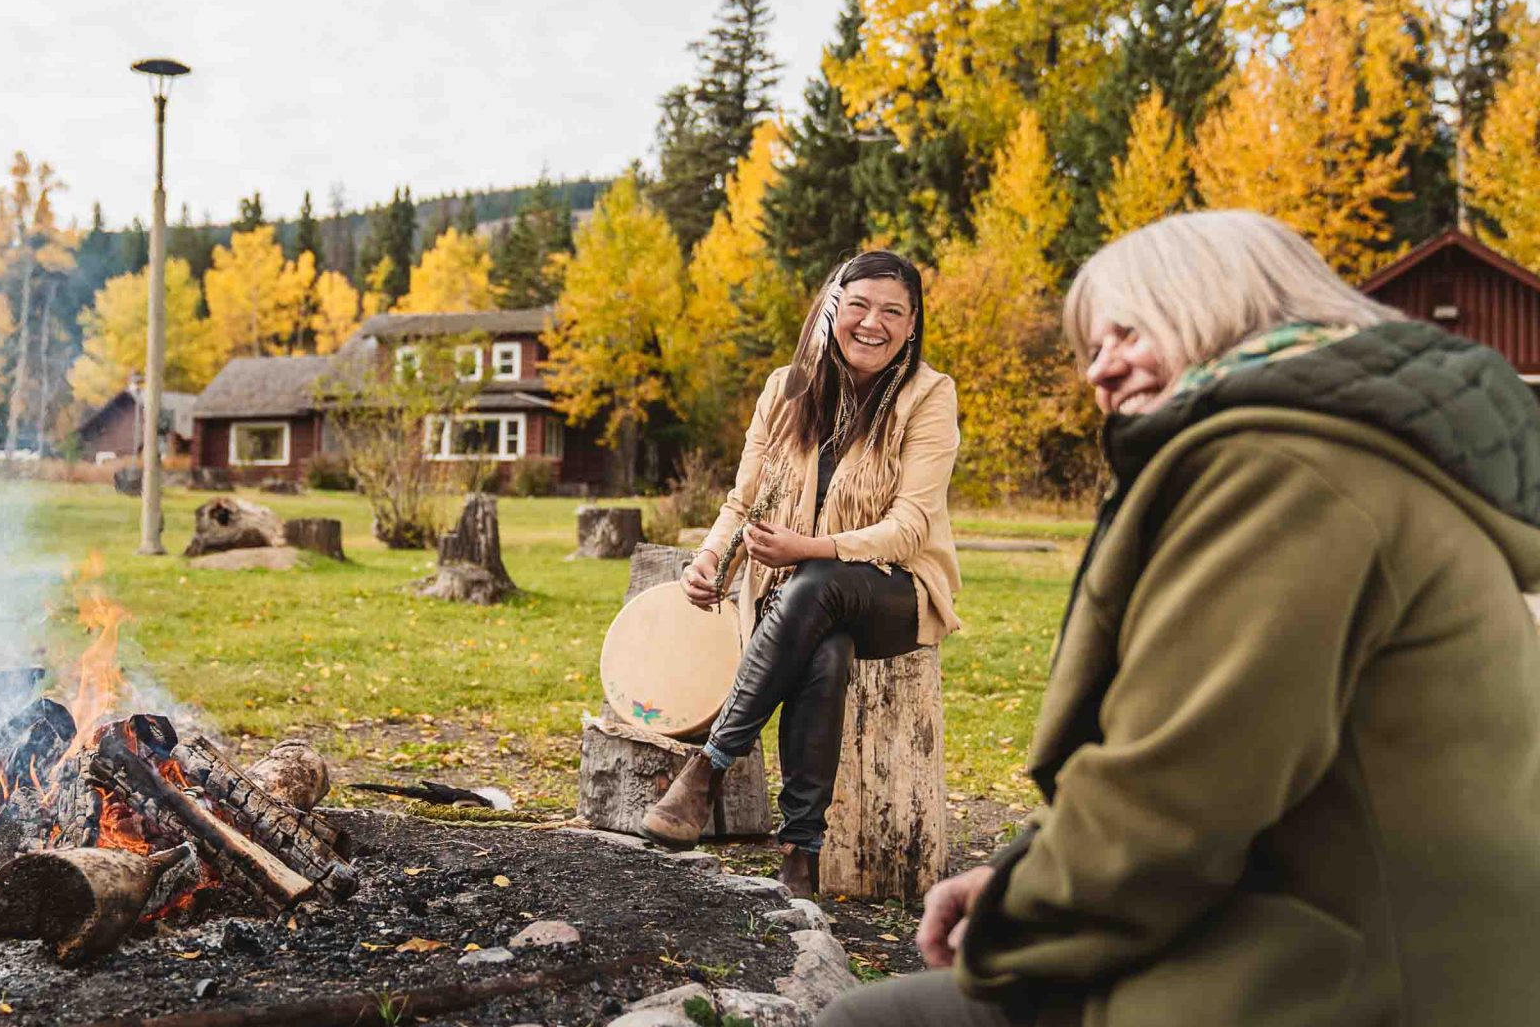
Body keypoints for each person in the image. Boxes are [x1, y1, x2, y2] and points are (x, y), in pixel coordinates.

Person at [820, 210, 1540, 1026]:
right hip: (1387, 944)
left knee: (871, 1021)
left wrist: (1016, 919)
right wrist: (1020, 875)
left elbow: (1179, 787)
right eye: (1093, 350)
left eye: (1127, 332)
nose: (1102, 370)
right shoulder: (1344, 457)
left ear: (1223, 306)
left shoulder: (1285, 473)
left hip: (1354, 981)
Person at [639, 250, 963, 896]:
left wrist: (810, 549)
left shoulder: (930, 395)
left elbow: (910, 527)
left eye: (893, 312)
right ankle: (801, 854)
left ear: (912, 323)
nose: (874, 323)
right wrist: (707, 562)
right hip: (801, 600)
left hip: (893, 592)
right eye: (861, 305)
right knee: (824, 649)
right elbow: (742, 499)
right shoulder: (786, 389)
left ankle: (708, 767)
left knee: (821, 587)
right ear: (832, 309)